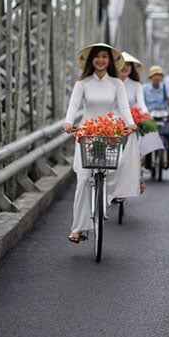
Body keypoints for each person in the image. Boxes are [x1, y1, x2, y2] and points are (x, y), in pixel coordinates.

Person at [63, 43, 137, 244]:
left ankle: (106, 197)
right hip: (87, 133)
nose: (100, 60)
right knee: (83, 179)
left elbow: (124, 106)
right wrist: (69, 122)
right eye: (96, 56)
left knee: (115, 166)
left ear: (110, 60)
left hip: (109, 132)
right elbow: (74, 105)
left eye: (104, 56)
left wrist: (130, 123)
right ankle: (78, 228)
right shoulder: (83, 83)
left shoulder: (116, 83)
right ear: (90, 60)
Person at [118, 51, 149, 194]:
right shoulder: (112, 83)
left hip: (131, 124)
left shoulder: (136, 85)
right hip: (113, 124)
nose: (125, 68)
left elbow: (141, 104)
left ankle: (135, 177)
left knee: (132, 153)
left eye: (129, 65)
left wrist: (144, 115)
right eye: (123, 64)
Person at [143, 65, 169, 151]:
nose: (157, 77)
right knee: (143, 135)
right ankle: (144, 156)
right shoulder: (144, 88)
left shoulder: (165, 87)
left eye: (159, 75)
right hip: (149, 115)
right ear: (151, 76)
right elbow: (141, 101)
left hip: (163, 114)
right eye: (155, 74)